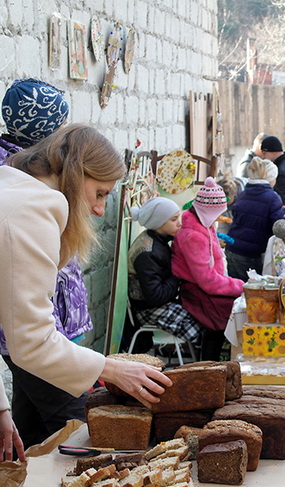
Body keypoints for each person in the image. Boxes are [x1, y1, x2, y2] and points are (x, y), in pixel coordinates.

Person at [0, 124, 173, 460]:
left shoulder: (14, 190)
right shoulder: (30, 209)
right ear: (76, 174)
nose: (98, 210)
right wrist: (112, 369)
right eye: (100, 193)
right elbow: (32, 343)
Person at [0, 78, 95, 450]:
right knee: (78, 423)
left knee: (33, 422)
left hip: (44, 326)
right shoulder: (30, 179)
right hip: (38, 326)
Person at [172, 177, 245, 361]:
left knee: (235, 309)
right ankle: (209, 366)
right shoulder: (193, 235)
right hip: (195, 292)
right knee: (224, 317)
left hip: (204, 288)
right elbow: (207, 281)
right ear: (209, 210)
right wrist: (240, 286)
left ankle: (214, 363)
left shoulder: (203, 224)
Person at [128, 196, 201, 347]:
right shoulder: (147, 252)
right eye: (174, 219)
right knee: (203, 319)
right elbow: (155, 296)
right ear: (158, 222)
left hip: (159, 303)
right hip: (148, 310)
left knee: (203, 309)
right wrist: (179, 273)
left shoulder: (159, 240)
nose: (180, 223)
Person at [224, 157, 285, 281]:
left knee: (236, 289)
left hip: (232, 248)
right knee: (251, 291)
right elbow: (278, 226)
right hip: (250, 253)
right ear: (270, 179)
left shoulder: (244, 193)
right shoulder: (272, 198)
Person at [260, 135, 285, 207]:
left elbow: (280, 200)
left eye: (264, 153)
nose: (263, 157)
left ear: (274, 152)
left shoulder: (282, 171)